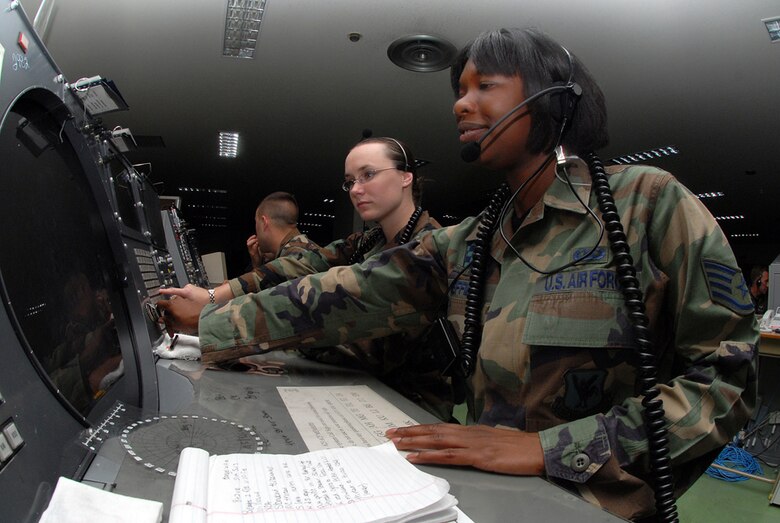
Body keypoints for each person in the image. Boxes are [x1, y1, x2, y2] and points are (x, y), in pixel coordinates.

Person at [159, 28, 757, 521]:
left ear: (555, 98)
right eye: (459, 88)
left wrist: (547, 450)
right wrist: (213, 320)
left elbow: (727, 380)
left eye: (485, 86)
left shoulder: (648, 205)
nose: (460, 103)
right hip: (485, 496)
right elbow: (349, 291)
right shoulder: (474, 237)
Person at [162, 137, 451, 420]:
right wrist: (214, 296)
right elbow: (300, 264)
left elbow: (336, 313)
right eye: (350, 181)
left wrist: (216, 321)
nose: (356, 189)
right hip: (364, 389)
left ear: (406, 177)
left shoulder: (425, 250)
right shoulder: (369, 241)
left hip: (407, 408)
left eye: (369, 175)